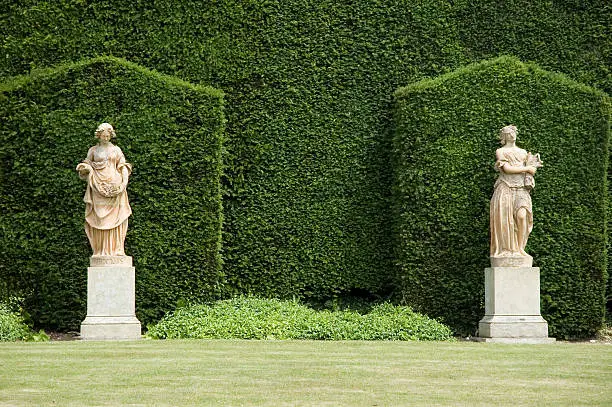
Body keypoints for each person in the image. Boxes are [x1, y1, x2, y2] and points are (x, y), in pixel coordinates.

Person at [76, 123, 132, 256]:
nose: (106, 138)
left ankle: (117, 249)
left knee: (118, 218)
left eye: (108, 135)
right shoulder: (93, 150)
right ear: (98, 135)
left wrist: (124, 183)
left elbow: (123, 166)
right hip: (97, 186)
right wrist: (85, 168)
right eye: (103, 135)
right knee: (99, 219)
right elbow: (87, 165)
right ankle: (100, 250)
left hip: (115, 187)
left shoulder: (116, 150)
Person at [490, 125, 541, 262]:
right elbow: (506, 169)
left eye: (513, 132)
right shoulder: (500, 151)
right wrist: (527, 168)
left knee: (522, 216)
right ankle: (509, 250)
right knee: (505, 220)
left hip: (521, 189)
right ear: (504, 137)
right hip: (505, 187)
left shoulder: (523, 152)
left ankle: (520, 249)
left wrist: (531, 169)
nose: (512, 135)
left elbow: (531, 171)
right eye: (508, 133)